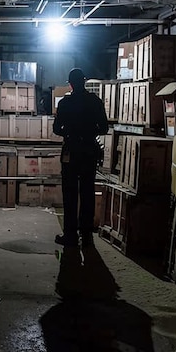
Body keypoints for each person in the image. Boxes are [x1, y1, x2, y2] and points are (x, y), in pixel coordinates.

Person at [53, 68, 109, 247]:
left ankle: (70, 235)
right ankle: (86, 235)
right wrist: (89, 132)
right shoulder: (95, 101)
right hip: (89, 151)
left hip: (71, 149)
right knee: (87, 192)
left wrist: (69, 132)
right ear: (84, 82)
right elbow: (104, 128)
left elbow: (56, 129)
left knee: (69, 193)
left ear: (70, 83)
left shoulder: (65, 103)